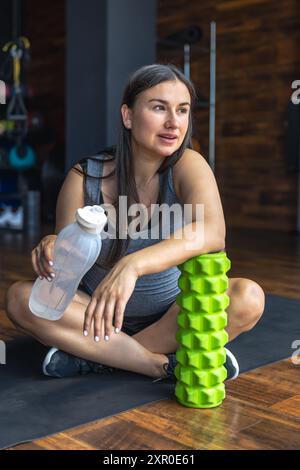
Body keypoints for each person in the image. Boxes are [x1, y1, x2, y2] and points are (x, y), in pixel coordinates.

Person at [5, 64, 265, 382]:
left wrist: (133, 264)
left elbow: (212, 232)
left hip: (169, 316)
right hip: (94, 314)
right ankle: (158, 364)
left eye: (182, 111)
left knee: (248, 298)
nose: (174, 123)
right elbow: (63, 271)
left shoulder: (188, 165)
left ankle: (97, 357)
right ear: (128, 116)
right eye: (159, 108)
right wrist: (52, 245)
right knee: (20, 299)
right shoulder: (83, 177)